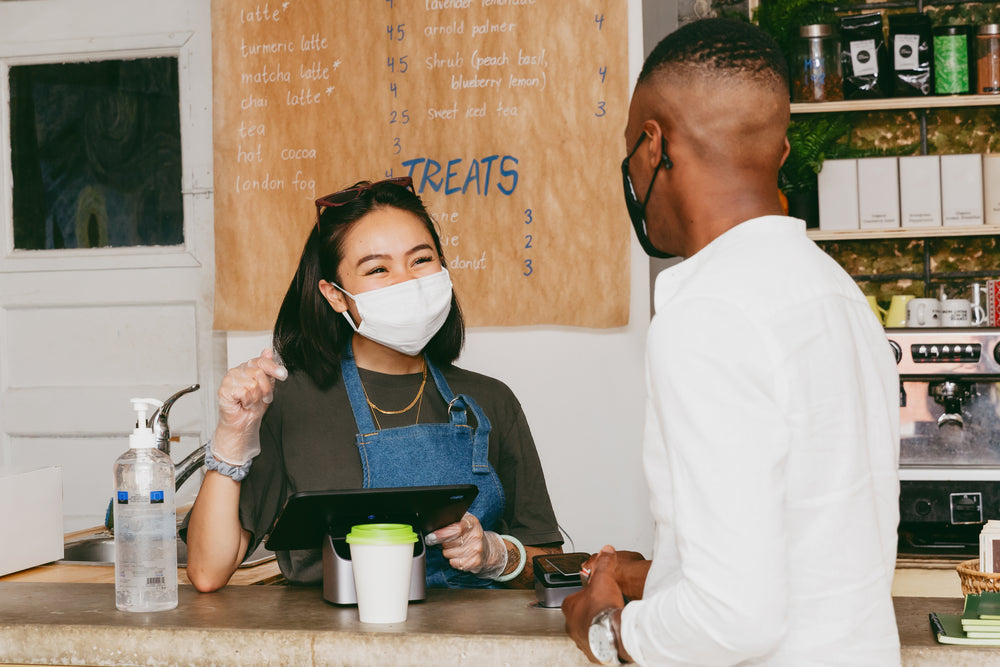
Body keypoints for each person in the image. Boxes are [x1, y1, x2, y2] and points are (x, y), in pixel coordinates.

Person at [562, 18, 901, 666]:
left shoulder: (708, 314)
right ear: (778, 150)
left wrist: (603, 625)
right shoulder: (839, 295)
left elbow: (733, 620)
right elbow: (817, 548)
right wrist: (666, 574)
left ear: (652, 145)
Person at [184, 177, 562, 591]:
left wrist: (497, 555)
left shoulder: (491, 400)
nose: (407, 281)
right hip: (331, 647)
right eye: (378, 269)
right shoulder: (290, 403)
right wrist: (231, 439)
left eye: (421, 260)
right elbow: (207, 571)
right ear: (335, 296)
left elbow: (549, 561)